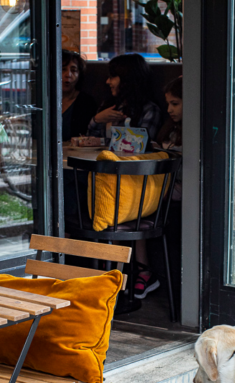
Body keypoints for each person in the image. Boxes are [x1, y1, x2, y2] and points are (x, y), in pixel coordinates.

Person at [139, 76, 183, 303]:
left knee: (137, 204)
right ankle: (140, 270)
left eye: (175, 104)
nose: (170, 109)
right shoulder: (171, 129)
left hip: (179, 189)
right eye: (168, 104)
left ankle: (142, 271)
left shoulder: (190, 133)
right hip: (165, 186)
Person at [87, 54, 162, 142]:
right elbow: (89, 141)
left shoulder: (149, 110)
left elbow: (141, 144)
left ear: (127, 79)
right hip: (99, 155)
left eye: (112, 77)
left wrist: (103, 142)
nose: (107, 81)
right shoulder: (109, 104)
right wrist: (97, 119)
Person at [61, 51, 99, 142]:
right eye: (63, 69)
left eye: (73, 70)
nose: (68, 75)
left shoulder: (86, 103)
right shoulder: (43, 100)